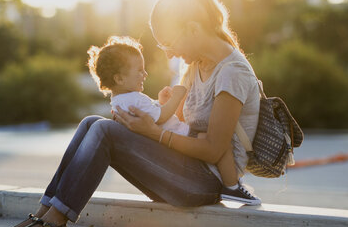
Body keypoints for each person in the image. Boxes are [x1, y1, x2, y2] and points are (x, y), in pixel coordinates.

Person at [0, 0, 260, 227]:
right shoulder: (194, 66)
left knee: (105, 132)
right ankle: (43, 216)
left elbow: (214, 150)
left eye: (169, 44)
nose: (168, 54)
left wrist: (152, 133)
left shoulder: (231, 73)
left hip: (205, 184)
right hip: (180, 170)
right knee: (91, 123)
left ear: (192, 28)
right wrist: (158, 111)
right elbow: (183, 123)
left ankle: (55, 225)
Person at [86, 35, 247, 203]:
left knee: (90, 123)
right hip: (181, 138)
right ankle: (233, 187)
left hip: (170, 146)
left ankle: (57, 203)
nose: (145, 74)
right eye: (140, 70)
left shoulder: (120, 102)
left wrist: (162, 103)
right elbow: (161, 116)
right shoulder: (135, 99)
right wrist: (175, 98)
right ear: (119, 78)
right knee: (223, 146)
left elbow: (155, 117)